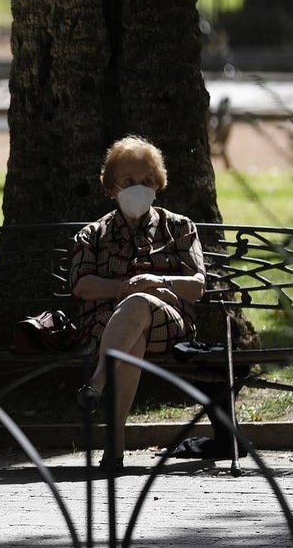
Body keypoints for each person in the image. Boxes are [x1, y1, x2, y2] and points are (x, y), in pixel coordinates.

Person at [69, 135, 206, 470]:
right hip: (104, 324)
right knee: (133, 334)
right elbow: (81, 286)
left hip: (169, 324)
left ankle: (97, 383)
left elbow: (198, 285)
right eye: (128, 182)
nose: (139, 189)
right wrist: (123, 289)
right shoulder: (93, 234)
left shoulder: (179, 227)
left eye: (146, 181)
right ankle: (114, 446)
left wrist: (157, 283)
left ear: (158, 184)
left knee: (140, 305)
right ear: (111, 188)